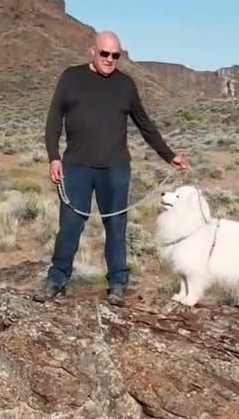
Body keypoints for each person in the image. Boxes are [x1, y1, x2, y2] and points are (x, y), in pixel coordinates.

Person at [34, 30, 187, 306]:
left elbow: (145, 124)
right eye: (104, 53)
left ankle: (117, 283)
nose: (109, 59)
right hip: (76, 167)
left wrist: (169, 155)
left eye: (115, 55)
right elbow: (54, 117)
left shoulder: (125, 85)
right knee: (69, 226)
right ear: (92, 51)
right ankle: (57, 279)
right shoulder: (71, 77)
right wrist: (53, 156)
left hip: (115, 169)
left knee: (116, 227)